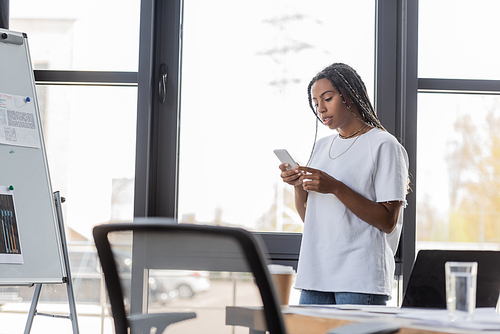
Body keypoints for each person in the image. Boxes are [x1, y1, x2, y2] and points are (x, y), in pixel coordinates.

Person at [279, 63, 409, 305]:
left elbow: (387, 222)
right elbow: (310, 217)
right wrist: (298, 185)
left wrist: (336, 187)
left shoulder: (384, 145)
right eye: (316, 102)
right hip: (315, 276)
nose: (321, 108)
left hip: (360, 278)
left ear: (351, 95)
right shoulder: (321, 147)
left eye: (327, 98)